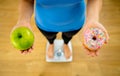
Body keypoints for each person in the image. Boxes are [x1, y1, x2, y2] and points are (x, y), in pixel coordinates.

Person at [13, 0, 109, 58]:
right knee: (49, 37)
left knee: (68, 36)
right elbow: (27, 0)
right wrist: (23, 20)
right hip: (45, 23)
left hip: (75, 22)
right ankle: (51, 43)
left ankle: (66, 43)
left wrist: (93, 19)